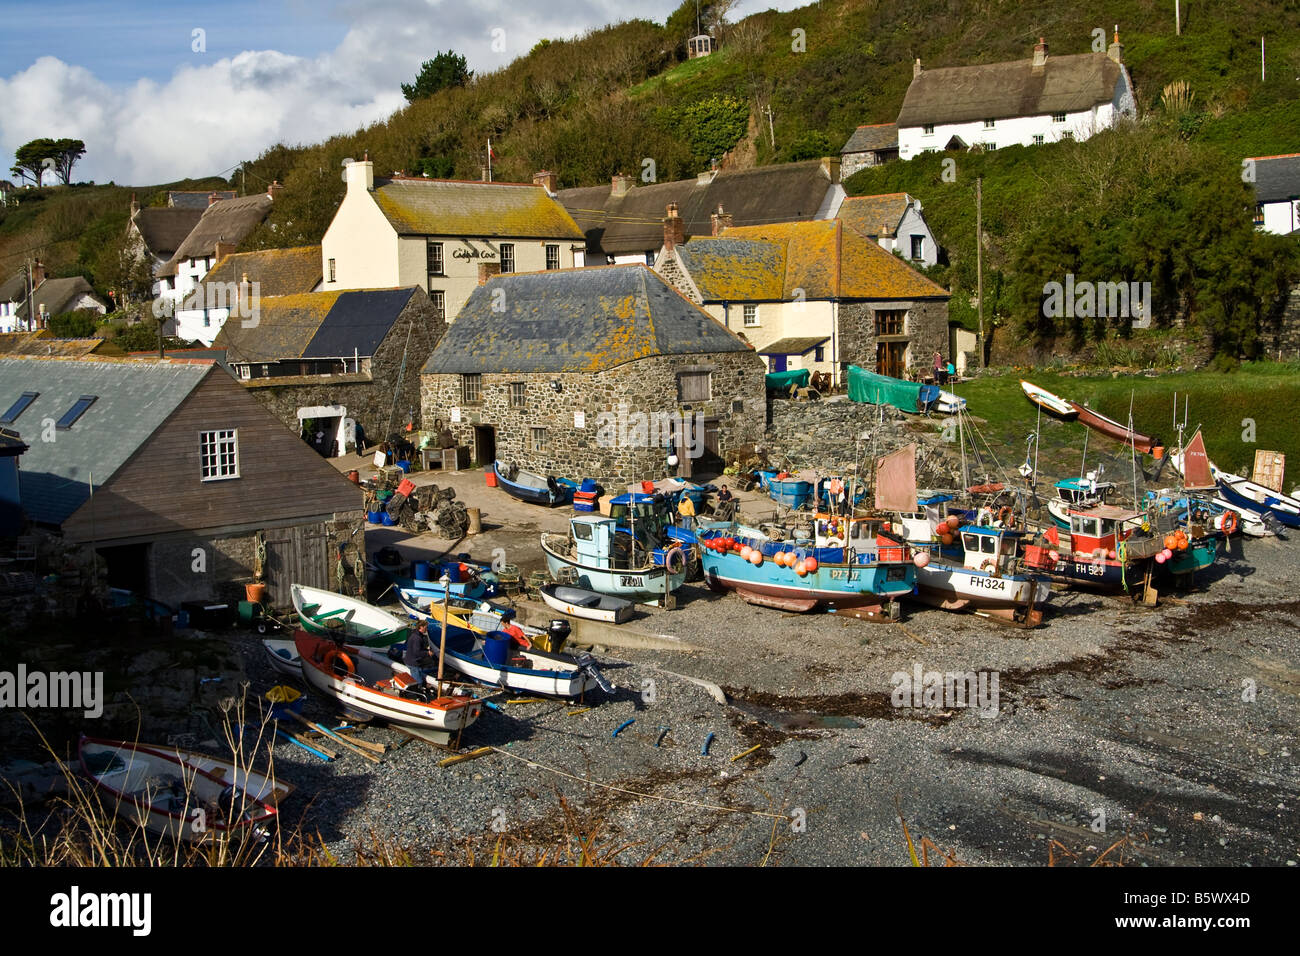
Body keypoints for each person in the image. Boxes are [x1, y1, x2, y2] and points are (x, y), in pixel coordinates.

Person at [404, 620, 434, 686]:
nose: (427, 629)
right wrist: (427, 653)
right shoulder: (417, 638)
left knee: (418, 675)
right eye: (426, 627)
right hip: (413, 662)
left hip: (411, 660)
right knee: (418, 681)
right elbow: (416, 652)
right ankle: (416, 692)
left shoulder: (416, 635)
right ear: (421, 627)